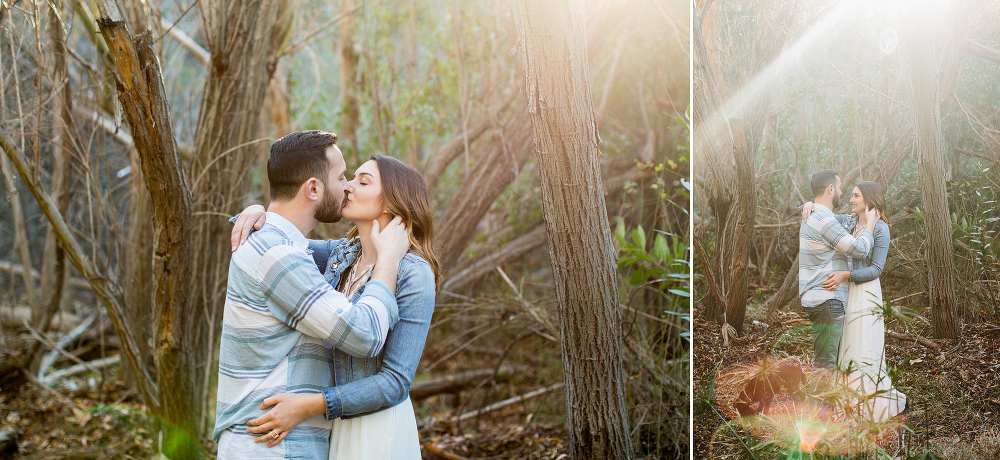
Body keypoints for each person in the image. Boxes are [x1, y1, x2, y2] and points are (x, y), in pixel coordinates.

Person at [214, 131, 412, 459]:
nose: (347, 186)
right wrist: (389, 260)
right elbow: (364, 335)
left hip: (281, 442)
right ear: (313, 188)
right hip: (269, 445)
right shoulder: (279, 254)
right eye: (340, 177)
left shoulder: (291, 248)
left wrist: (253, 213)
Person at [802, 181, 906, 422]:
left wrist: (846, 275)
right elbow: (823, 215)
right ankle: (845, 398)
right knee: (846, 344)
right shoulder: (848, 221)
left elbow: (876, 269)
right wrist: (808, 205)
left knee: (862, 345)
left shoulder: (881, 229)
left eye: (856, 196)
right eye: (851, 195)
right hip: (845, 292)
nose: (851, 199)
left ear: (869, 200)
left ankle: (867, 400)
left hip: (865, 292)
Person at [798, 169, 878, 368]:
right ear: (831, 188)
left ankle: (824, 399)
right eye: (841, 187)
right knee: (825, 365)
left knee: (826, 362)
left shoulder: (815, 215)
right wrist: (870, 225)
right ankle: (819, 400)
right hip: (827, 300)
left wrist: (807, 204)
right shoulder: (823, 220)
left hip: (821, 299)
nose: (843, 193)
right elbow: (859, 250)